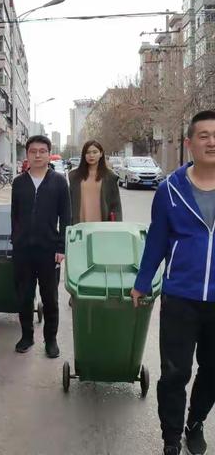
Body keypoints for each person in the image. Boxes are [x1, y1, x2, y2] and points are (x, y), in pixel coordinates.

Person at [131, 110, 215, 455]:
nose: (212, 141)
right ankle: (170, 436)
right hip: (180, 296)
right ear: (189, 143)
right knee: (174, 372)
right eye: (204, 135)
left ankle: (194, 424)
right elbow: (157, 241)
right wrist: (141, 282)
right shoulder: (169, 190)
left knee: (212, 370)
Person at [11, 135, 71, 358]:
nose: (37, 155)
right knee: (24, 297)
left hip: (49, 251)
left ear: (48, 153)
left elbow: (66, 217)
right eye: (33, 151)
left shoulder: (58, 182)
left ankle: (51, 339)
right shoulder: (18, 183)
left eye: (42, 151)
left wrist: (61, 247)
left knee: (50, 298)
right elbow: (14, 216)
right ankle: (26, 336)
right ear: (27, 154)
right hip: (23, 251)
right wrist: (15, 241)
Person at [69, 140, 122, 224]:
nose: (91, 155)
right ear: (84, 155)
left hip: (102, 227)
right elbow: (69, 203)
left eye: (95, 152)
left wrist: (117, 225)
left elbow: (116, 205)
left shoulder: (110, 176)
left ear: (101, 154)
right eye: (88, 152)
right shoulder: (74, 176)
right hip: (79, 226)